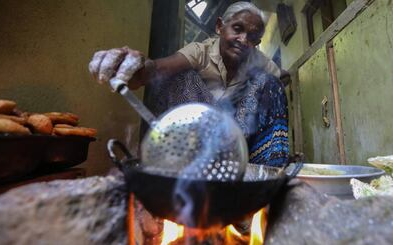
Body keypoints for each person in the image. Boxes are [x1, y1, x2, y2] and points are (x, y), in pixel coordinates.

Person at [89, 1, 289, 167]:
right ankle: (170, 161)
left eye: (253, 37)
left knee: (270, 83)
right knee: (180, 76)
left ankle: (264, 169)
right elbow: (156, 70)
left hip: (236, 139)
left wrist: (256, 93)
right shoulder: (200, 51)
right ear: (220, 27)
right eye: (237, 29)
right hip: (196, 134)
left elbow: (283, 77)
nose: (243, 40)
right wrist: (136, 68)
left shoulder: (257, 59)